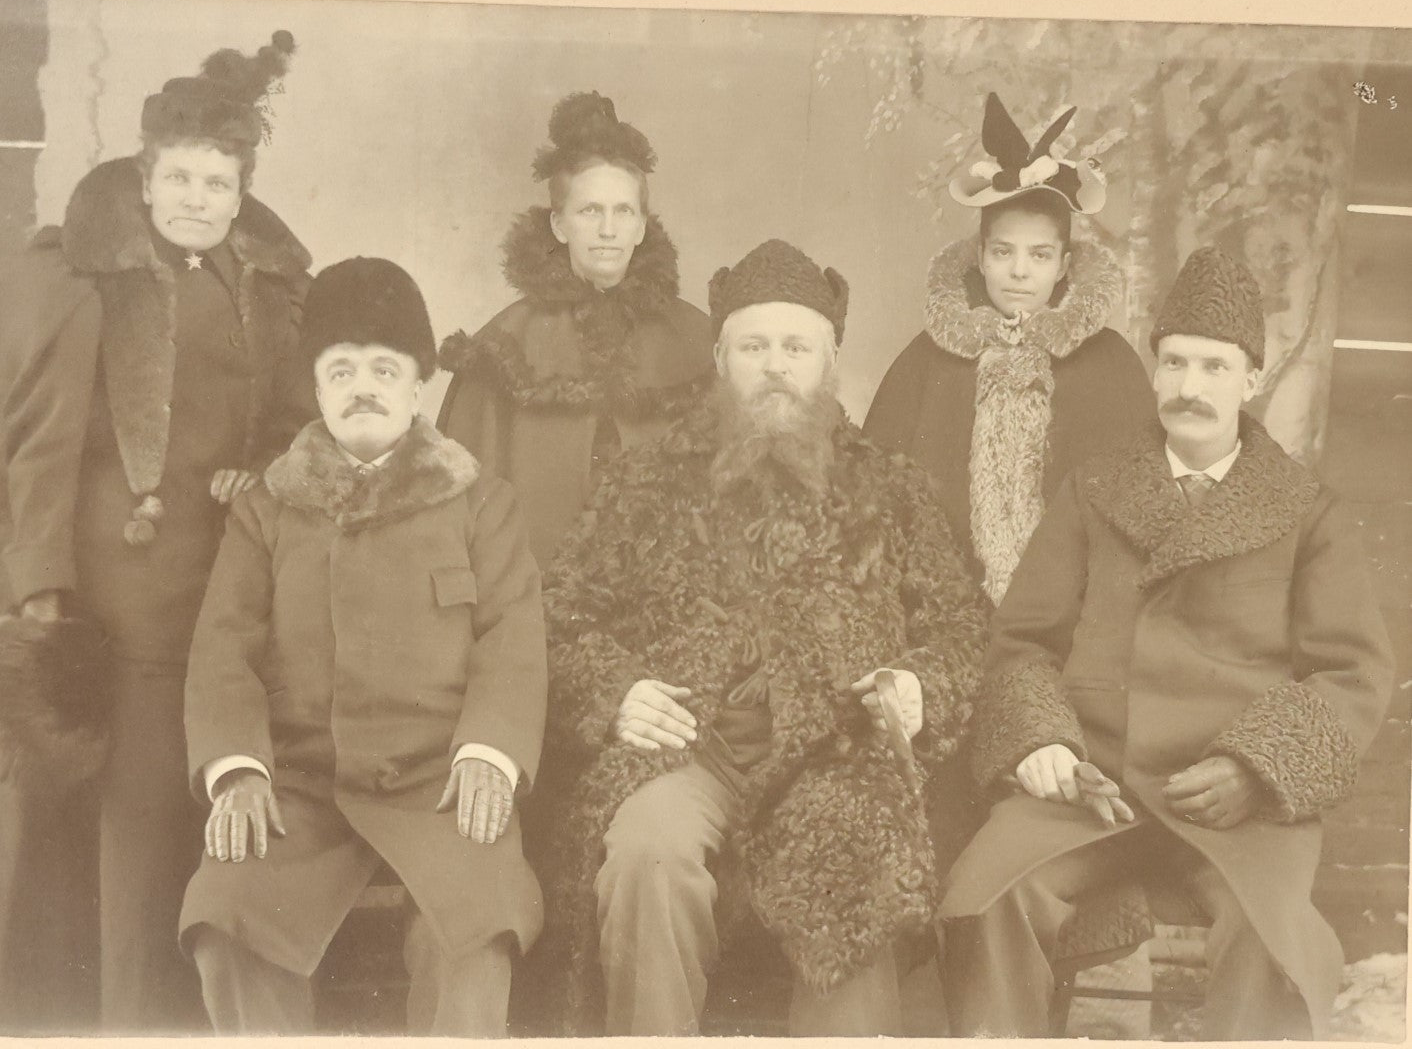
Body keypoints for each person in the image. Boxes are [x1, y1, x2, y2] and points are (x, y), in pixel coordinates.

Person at [938, 246, 1394, 1039]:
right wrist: (1041, 741)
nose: (1191, 387)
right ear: (1153, 375)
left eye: (1215, 367)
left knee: (1271, 942)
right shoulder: (1094, 489)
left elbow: (1351, 673)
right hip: (1094, 784)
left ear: (1251, 380)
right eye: (1175, 363)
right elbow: (1024, 642)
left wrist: (1256, 769)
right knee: (985, 900)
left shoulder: (1305, 511)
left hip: (1234, 800)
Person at [539, 239, 988, 1036]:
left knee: (856, 860)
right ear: (720, 358)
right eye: (753, 347)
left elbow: (959, 626)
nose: (775, 366)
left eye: (795, 347)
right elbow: (560, 615)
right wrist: (616, 693)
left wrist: (919, 686)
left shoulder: (891, 486)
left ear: (830, 360)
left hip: (835, 753)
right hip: (688, 750)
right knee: (647, 854)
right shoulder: (645, 481)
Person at [0, 31, 312, 1032]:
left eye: (217, 183)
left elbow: (292, 421)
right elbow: (38, 441)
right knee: (127, 817)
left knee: (195, 806)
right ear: (144, 178)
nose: (195, 199)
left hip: (221, 586)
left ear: (241, 190)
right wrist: (40, 588)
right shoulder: (87, 275)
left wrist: (263, 473)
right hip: (116, 589)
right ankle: (116, 1022)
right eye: (177, 177)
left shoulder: (263, 285)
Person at [177, 257, 546, 1035]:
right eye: (340, 370)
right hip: (302, 788)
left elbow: (512, 642)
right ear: (316, 391)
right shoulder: (267, 510)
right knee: (227, 916)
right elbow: (222, 650)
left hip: (439, 783)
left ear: (418, 388)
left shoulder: (481, 503)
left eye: (385, 368)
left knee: (476, 930)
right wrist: (238, 770)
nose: (363, 387)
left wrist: (489, 753)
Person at [865, 92, 1152, 604]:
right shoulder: (926, 360)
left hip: (1070, 616)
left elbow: (1141, 508)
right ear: (980, 258)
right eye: (1003, 252)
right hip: (946, 610)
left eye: (1039, 255)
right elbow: (876, 499)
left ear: (1064, 266)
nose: (1020, 271)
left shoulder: (1110, 364)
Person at [436, 90, 715, 566]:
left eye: (623, 211)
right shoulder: (503, 348)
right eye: (590, 211)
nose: (608, 230)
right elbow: (460, 513)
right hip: (537, 594)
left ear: (641, 227)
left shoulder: (696, 341)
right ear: (559, 225)